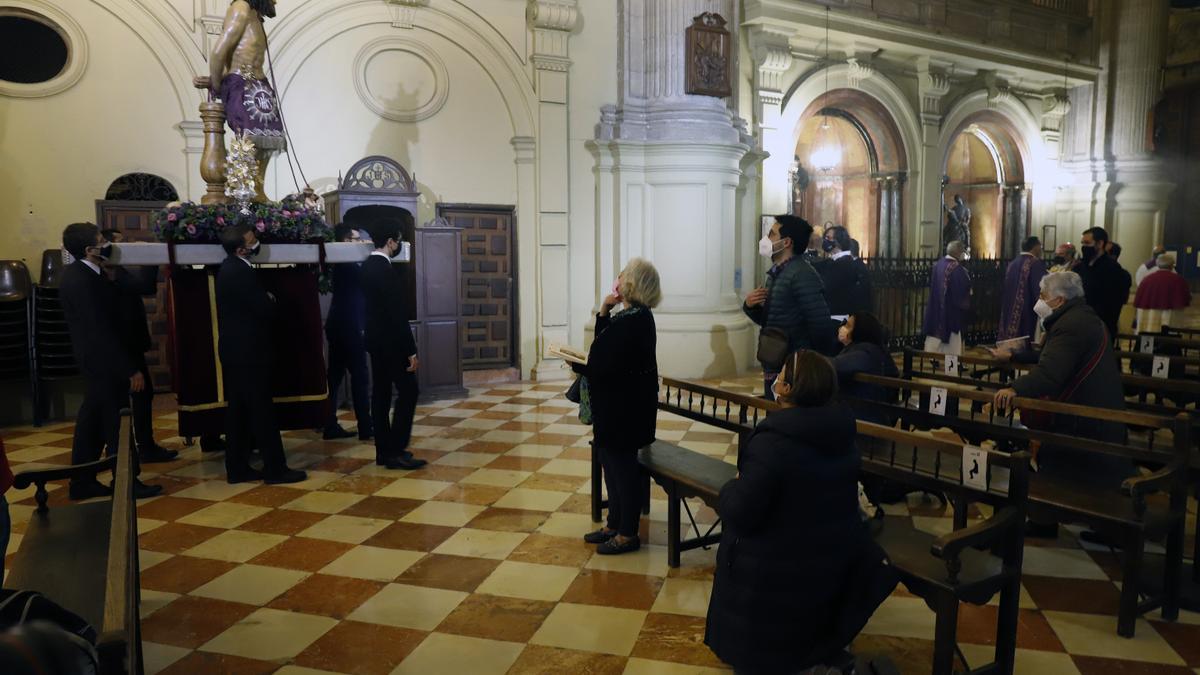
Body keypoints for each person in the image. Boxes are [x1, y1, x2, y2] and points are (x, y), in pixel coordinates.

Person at [705, 351, 896, 673]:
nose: (775, 381)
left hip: (775, 574)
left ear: (788, 389)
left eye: (780, 376)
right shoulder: (842, 435)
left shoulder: (773, 443)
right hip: (824, 564)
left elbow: (741, 512)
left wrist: (731, 487)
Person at [992, 272, 1131, 493]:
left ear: (1058, 300)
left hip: (1086, 421)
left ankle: (1044, 522)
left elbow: (1050, 373)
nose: (1039, 300)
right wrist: (1013, 356)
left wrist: (1015, 388)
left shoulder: (1071, 325)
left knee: (1062, 478)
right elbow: (1056, 356)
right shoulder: (1080, 317)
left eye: (1043, 295)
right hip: (1094, 413)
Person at [58, 223, 162, 500]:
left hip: (98, 361)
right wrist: (129, 368)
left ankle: (82, 481)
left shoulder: (89, 274)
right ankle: (127, 480)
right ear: (90, 249)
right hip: (105, 363)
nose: (106, 244)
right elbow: (100, 330)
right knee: (116, 423)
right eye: (101, 240)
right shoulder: (82, 279)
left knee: (91, 423)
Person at [575, 259, 661, 555]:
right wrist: (603, 311)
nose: (619, 277)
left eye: (623, 273)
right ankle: (613, 524)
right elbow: (603, 347)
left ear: (633, 284)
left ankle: (628, 533)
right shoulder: (630, 317)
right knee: (609, 463)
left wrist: (580, 365)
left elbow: (602, 361)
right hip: (617, 406)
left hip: (625, 410)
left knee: (623, 469)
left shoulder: (634, 322)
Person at [215, 224, 307, 484]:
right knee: (262, 411)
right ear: (242, 248)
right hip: (248, 353)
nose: (257, 243)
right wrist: (270, 299)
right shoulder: (240, 272)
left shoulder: (229, 267)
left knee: (240, 412)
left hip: (236, 351)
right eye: (253, 240)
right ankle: (275, 469)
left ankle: (237, 467)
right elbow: (264, 308)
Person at [99, 229, 178, 464]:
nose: (125, 249)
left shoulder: (114, 271)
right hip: (124, 347)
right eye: (120, 243)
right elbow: (144, 285)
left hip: (128, 345)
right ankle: (130, 449)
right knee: (133, 398)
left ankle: (139, 445)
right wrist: (149, 256)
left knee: (141, 396)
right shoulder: (109, 272)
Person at [361, 220, 427, 471]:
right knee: (409, 392)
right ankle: (396, 451)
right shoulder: (385, 270)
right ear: (390, 242)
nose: (398, 245)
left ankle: (383, 450)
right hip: (392, 343)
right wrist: (411, 350)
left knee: (380, 395)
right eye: (397, 241)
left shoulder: (367, 267)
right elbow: (397, 315)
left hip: (375, 341)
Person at [745, 215, 833, 400]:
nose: (766, 239)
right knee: (775, 412)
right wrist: (750, 306)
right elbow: (772, 318)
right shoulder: (777, 273)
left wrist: (811, 363)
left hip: (794, 365)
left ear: (786, 242)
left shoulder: (802, 274)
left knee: (789, 416)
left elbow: (819, 323)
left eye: (772, 234)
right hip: (776, 360)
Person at [203, 0, 282, 202]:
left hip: (260, 84)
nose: (275, 1)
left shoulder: (256, 15)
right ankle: (242, 191)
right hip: (241, 81)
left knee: (267, 140)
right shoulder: (241, 7)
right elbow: (220, 50)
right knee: (247, 140)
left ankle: (258, 191)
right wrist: (217, 84)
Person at [323, 224, 373, 441]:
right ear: (344, 242)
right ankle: (365, 427)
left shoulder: (342, 264)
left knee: (333, 377)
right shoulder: (348, 265)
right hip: (351, 327)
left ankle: (329, 424)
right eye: (355, 239)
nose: (360, 242)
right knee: (360, 377)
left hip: (337, 325)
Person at [832, 313, 898, 425]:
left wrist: (812, 361)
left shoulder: (866, 352)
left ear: (859, 331)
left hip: (865, 416)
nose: (843, 328)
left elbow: (839, 365)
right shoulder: (860, 348)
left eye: (848, 326)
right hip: (859, 410)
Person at [1075, 227, 1131, 342]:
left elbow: (1114, 301)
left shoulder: (1112, 269)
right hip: (1079, 324)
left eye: (1087, 243)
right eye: (1082, 243)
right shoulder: (1080, 268)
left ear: (1100, 243)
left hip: (1102, 326)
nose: (1084, 247)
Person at [922, 240, 972, 356]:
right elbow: (962, 292)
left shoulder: (938, 264)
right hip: (951, 316)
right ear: (959, 252)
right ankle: (951, 372)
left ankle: (931, 368)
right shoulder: (957, 269)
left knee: (934, 345)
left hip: (936, 312)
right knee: (952, 350)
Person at [998, 236, 1047, 343]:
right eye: (1040, 246)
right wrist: (1045, 312)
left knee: (1010, 341)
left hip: (1009, 307)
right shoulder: (1035, 263)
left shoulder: (1012, 263)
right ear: (1036, 247)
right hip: (1027, 310)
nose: (1041, 249)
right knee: (1026, 341)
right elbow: (1040, 289)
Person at [817, 226, 871, 317]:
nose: (825, 241)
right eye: (824, 238)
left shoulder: (845, 263)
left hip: (839, 316)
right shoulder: (832, 261)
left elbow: (828, 288)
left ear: (839, 241)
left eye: (828, 238)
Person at [1134, 253, 1192, 334]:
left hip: (1150, 320)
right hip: (1171, 320)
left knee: (1150, 333)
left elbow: (1140, 298)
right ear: (1172, 265)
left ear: (1158, 265)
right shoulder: (1179, 280)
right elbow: (1185, 299)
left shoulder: (1147, 280)